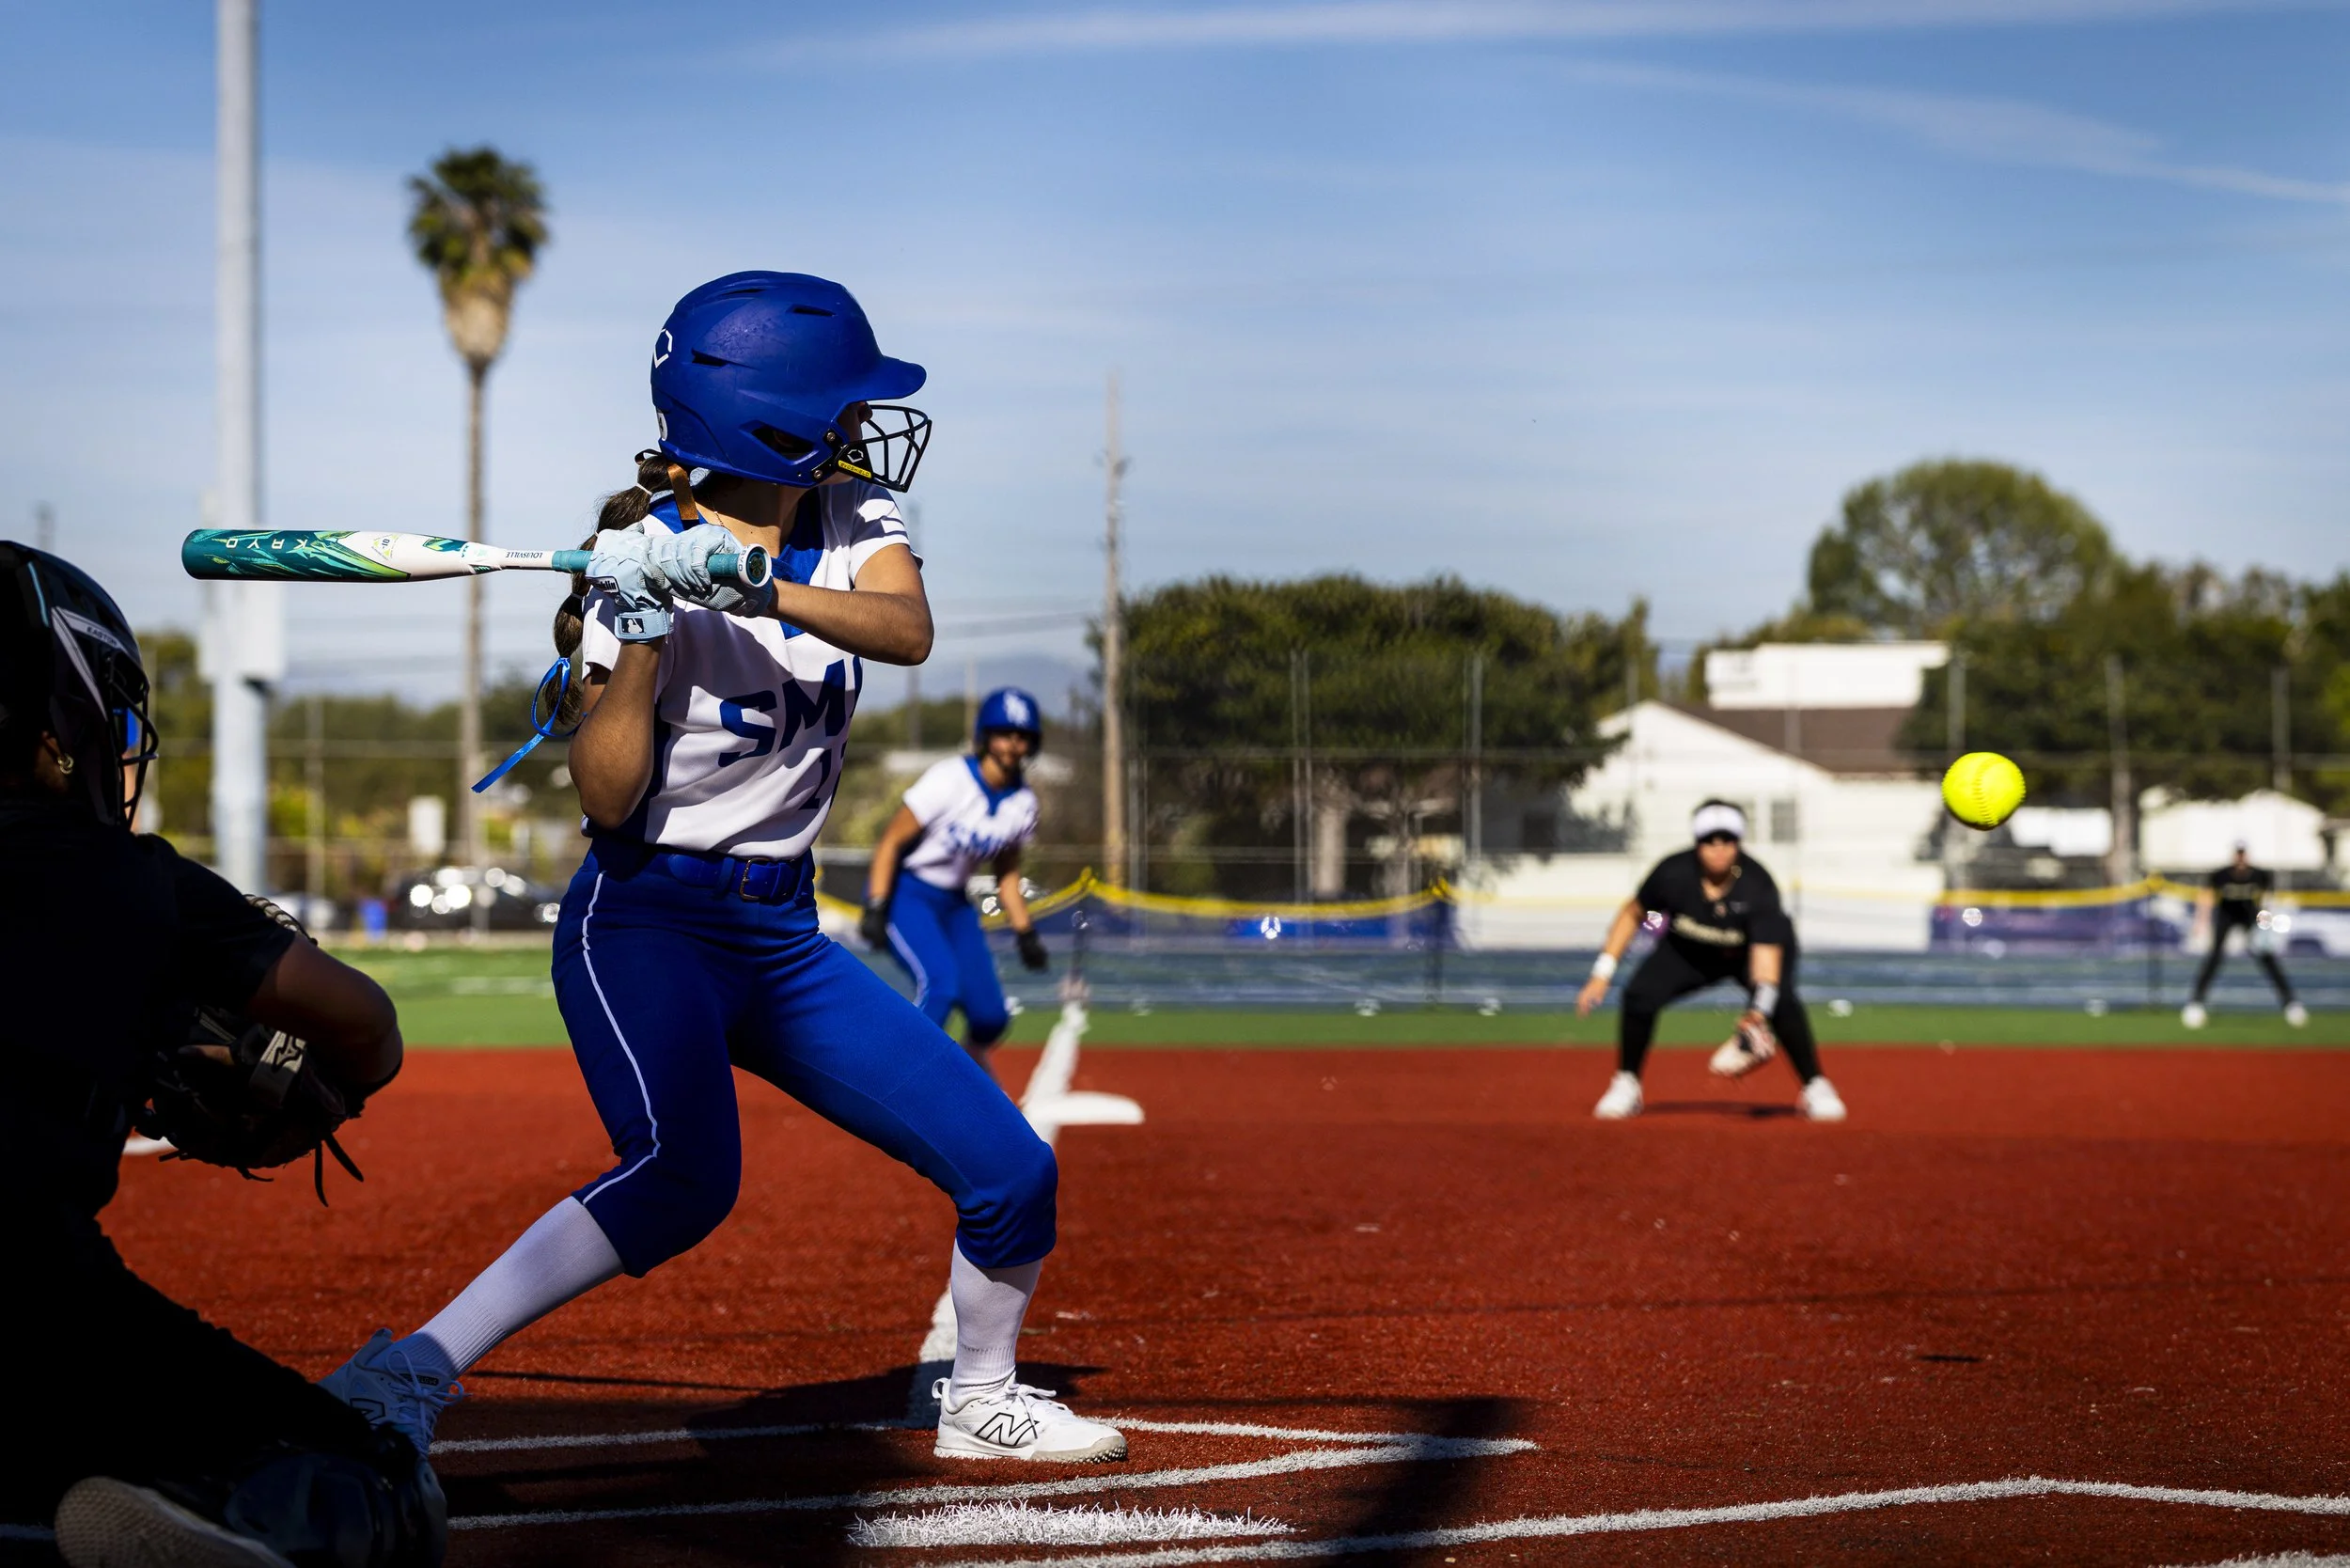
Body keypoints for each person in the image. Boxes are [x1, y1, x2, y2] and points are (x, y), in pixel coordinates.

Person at [318, 273, 1126, 1466]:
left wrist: (758, 584)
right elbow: (606, 797)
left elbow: (906, 631)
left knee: (1011, 1170)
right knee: (683, 1179)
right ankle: (405, 1371)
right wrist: (643, 629)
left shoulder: (851, 515)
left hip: (785, 937)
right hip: (648, 922)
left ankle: (980, 1399)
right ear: (773, 421)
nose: (865, 425)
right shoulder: (638, 563)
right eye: (844, 405)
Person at [0, 542, 444, 1567]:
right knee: (372, 1480)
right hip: (30, 1293)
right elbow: (367, 1027)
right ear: (60, 722)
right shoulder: (128, 877)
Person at [1574, 800, 1846, 1122]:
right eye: (1709, 840)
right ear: (1696, 843)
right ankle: (1626, 1083)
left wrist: (1757, 1015)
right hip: (1689, 952)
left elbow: (1766, 960)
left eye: (1727, 840)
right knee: (1639, 995)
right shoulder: (1673, 873)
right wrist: (1602, 973)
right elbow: (1635, 913)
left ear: (1739, 843)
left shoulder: (1755, 884)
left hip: (1747, 955)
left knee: (1783, 1003)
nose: (1718, 849)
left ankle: (1815, 1085)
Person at [861, 687, 1051, 1070]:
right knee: (941, 986)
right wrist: (877, 904)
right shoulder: (949, 780)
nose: (1013, 744)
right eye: (1004, 733)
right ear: (986, 735)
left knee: (990, 1016)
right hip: (907, 891)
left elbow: (1007, 873)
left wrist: (1025, 932)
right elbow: (890, 841)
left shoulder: (1023, 804)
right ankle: (897, 1077)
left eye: (1022, 736)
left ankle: (967, 1069)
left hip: (954, 904)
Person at [2182, 840, 2307, 1029]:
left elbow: (2267, 901)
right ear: (2234, 855)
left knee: (2266, 957)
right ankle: (2195, 1003)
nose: (2240, 857)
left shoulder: (2259, 875)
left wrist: (2266, 925)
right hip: (2226, 916)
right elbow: (2206, 897)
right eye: (2238, 853)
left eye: (2243, 853)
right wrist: (2201, 922)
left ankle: (2291, 1004)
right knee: (2214, 957)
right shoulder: (2221, 875)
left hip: (2250, 916)